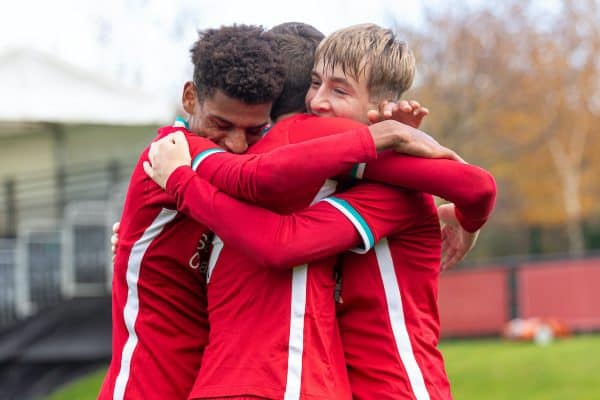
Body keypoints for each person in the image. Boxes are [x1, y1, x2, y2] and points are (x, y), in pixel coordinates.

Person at [100, 23, 454, 400]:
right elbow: (266, 205)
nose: (237, 144)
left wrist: (464, 212)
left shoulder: (353, 182)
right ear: (190, 98)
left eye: (338, 90)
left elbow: (472, 183)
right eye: (316, 85)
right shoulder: (176, 154)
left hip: (390, 387)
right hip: (145, 387)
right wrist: (389, 138)